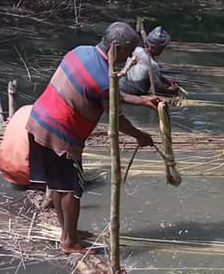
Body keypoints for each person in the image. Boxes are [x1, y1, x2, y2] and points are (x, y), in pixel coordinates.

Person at [26, 21, 163, 254]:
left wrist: (140, 100)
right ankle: (69, 242)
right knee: (72, 190)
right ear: (117, 48)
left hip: (38, 122)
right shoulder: (102, 78)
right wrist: (140, 136)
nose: (129, 57)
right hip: (61, 135)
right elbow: (115, 118)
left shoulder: (80, 52)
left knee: (59, 186)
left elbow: (105, 92)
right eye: (128, 52)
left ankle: (67, 232)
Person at [121, 26, 178, 96]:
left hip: (122, 85)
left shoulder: (137, 49)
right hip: (134, 92)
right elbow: (157, 88)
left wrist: (167, 81)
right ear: (158, 49)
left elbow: (152, 73)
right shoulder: (153, 65)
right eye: (162, 48)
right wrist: (171, 91)